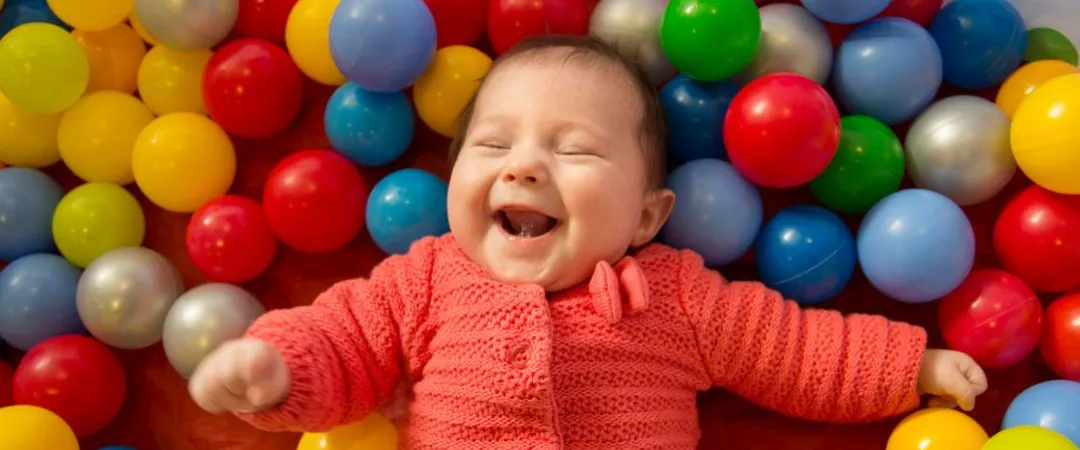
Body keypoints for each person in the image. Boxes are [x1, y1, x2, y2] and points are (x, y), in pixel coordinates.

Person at [188, 35, 988, 449]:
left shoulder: (677, 295)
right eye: (494, 146)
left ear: (646, 217)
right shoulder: (427, 278)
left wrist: (907, 367)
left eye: (574, 150)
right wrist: (276, 366)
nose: (526, 166)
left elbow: (792, 350)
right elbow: (346, 341)